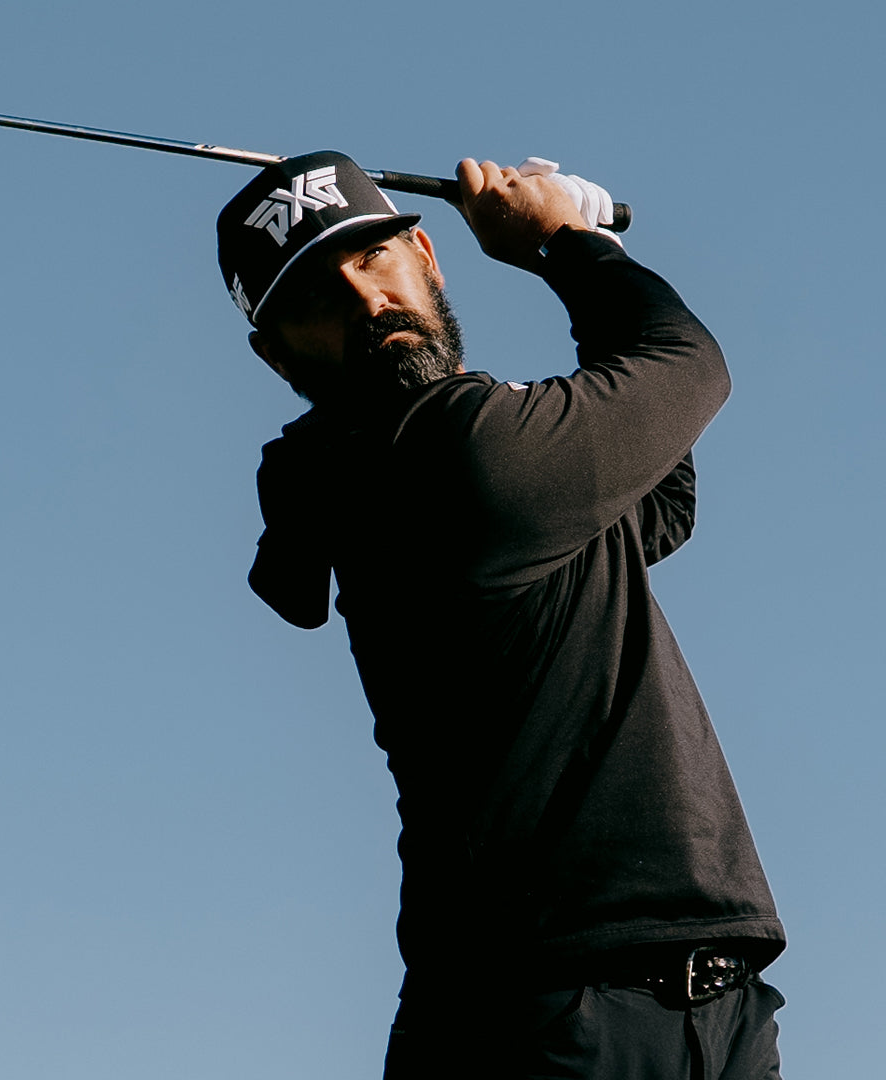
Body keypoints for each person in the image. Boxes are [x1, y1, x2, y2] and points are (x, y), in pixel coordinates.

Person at [216, 151, 787, 1079]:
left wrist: (588, 250)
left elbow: (659, 501)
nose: (368, 301)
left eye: (372, 258)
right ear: (276, 353)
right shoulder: (447, 451)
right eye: (317, 295)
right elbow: (686, 369)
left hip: (702, 1006)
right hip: (544, 1020)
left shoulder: (435, 459)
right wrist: (565, 242)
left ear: (425, 255)